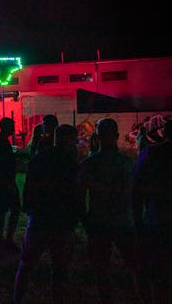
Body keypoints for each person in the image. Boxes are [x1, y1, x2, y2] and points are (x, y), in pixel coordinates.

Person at [13, 123, 82, 303]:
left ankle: (17, 299)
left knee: (27, 264)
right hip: (61, 221)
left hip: (40, 218)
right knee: (59, 268)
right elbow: (75, 193)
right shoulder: (70, 163)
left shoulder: (41, 158)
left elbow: (29, 186)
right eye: (74, 139)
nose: (76, 143)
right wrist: (75, 217)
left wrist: (28, 207)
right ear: (68, 139)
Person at [76, 117, 141, 302]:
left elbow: (80, 196)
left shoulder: (90, 164)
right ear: (117, 135)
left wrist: (85, 220)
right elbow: (136, 194)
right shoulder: (127, 164)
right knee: (135, 265)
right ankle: (142, 297)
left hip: (99, 221)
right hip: (124, 221)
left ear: (97, 136)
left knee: (101, 268)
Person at [133, 118, 171, 303]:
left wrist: (138, 219)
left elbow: (137, 187)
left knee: (159, 273)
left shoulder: (151, 153)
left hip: (158, 218)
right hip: (157, 217)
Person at [0, 117, 21, 253]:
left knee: (3, 210)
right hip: (6, 181)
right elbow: (1, 164)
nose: (14, 129)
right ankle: (6, 239)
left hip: (3, 181)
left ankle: (1, 238)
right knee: (12, 209)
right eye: (12, 126)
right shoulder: (2, 143)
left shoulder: (0, 141)